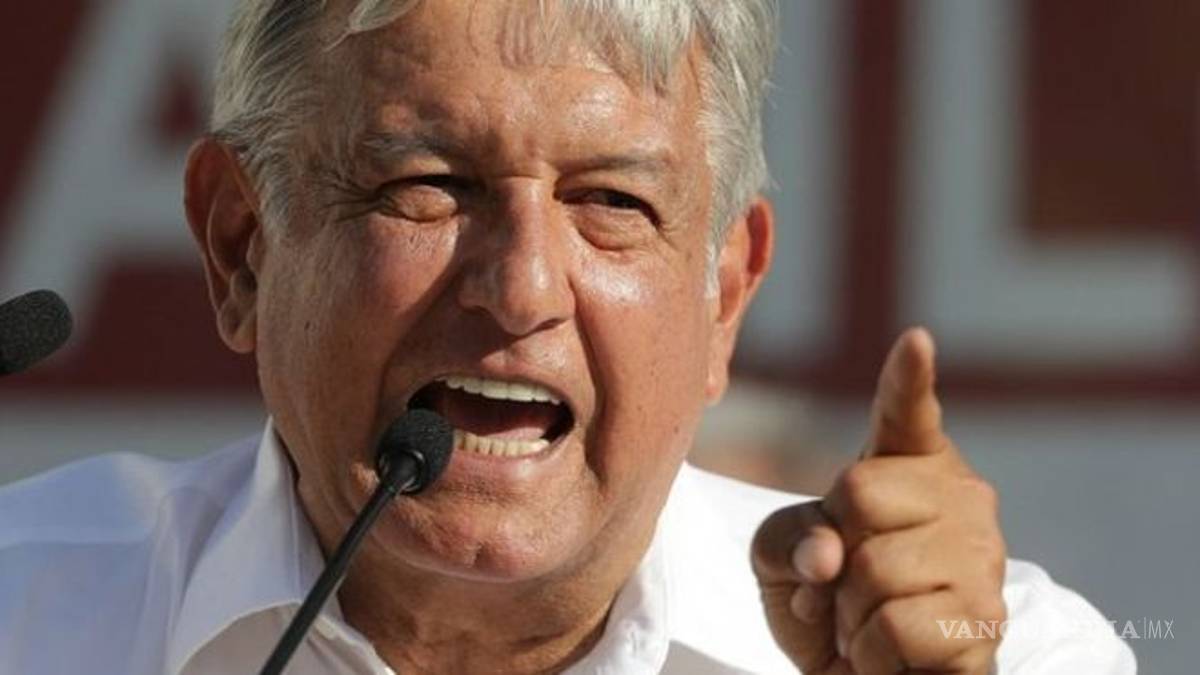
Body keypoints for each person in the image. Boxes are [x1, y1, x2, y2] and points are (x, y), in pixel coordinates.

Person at [0, 1, 1136, 673]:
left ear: (724, 294)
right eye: (428, 185)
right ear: (242, 247)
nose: (522, 289)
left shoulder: (1001, 656)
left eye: (613, 203)